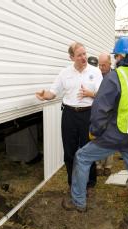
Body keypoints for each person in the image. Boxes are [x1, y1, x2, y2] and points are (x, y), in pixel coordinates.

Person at [61, 36, 128, 229]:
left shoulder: (116, 76)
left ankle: (79, 201)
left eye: (116, 55)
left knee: (81, 157)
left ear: (122, 56)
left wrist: (95, 131)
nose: (115, 59)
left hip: (114, 135)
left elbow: (100, 107)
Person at [35, 42, 103, 192]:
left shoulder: (95, 72)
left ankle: (90, 183)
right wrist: (44, 95)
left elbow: (102, 95)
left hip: (88, 114)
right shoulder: (64, 73)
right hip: (69, 114)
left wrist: (90, 94)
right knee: (69, 150)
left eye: (84, 54)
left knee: (88, 149)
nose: (83, 57)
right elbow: (53, 92)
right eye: (79, 55)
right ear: (72, 57)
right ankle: (72, 183)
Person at [95, 53, 114, 176]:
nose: (101, 68)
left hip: (111, 111)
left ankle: (108, 165)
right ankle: (98, 164)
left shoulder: (115, 75)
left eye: (104, 65)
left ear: (110, 64)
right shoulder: (96, 75)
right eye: (99, 65)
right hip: (98, 111)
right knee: (97, 138)